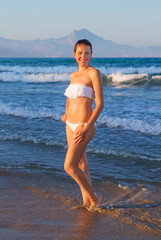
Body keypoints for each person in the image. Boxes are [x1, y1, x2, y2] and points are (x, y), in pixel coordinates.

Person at [61, 39, 104, 211]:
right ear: (74, 54)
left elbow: (100, 104)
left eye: (87, 53)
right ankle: (86, 201)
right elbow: (70, 97)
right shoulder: (73, 75)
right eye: (80, 53)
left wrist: (87, 127)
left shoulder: (94, 73)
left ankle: (94, 199)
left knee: (69, 166)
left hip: (83, 125)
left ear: (91, 54)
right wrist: (65, 114)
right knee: (81, 164)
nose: (83, 56)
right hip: (69, 124)